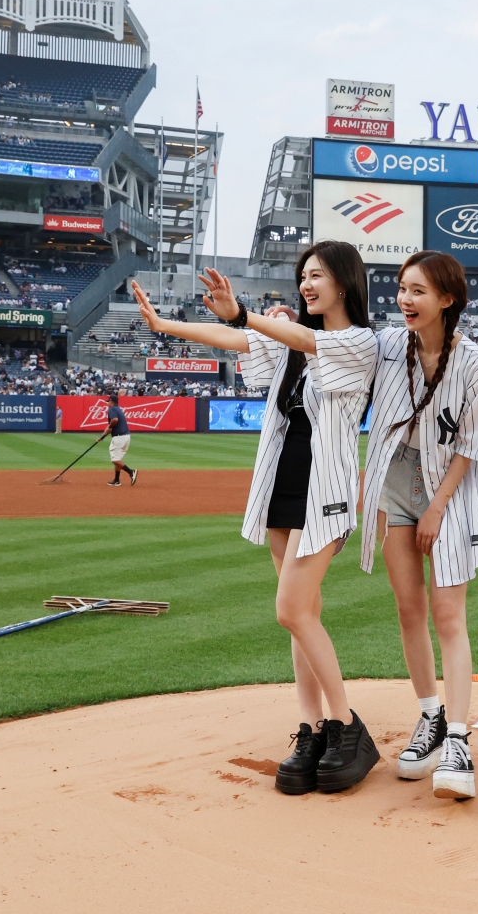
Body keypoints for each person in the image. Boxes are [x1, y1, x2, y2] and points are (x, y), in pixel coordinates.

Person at [129, 243, 381, 796]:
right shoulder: (288, 334)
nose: (308, 283)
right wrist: (163, 322)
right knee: (302, 614)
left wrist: (248, 314)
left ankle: (346, 726)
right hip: (282, 486)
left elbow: (303, 339)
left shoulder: (362, 341)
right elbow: (240, 339)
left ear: (345, 282)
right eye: (303, 275)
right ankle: (311, 730)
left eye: (318, 275)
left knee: (290, 607)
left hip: (326, 493)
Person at [359, 250, 478, 800]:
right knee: (408, 607)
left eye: (417, 290)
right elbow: (333, 345)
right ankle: (430, 717)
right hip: (394, 478)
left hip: (452, 487)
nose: (404, 299)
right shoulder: (391, 345)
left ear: (447, 299)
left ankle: (459, 738)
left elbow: (472, 446)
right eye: (401, 288)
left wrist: (438, 506)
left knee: (448, 613)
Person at [99, 393, 136, 485]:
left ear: (111, 401)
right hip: (126, 436)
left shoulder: (112, 409)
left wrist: (109, 427)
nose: (107, 403)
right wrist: (102, 437)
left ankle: (131, 472)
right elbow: (111, 428)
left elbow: (114, 420)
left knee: (115, 460)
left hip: (119, 437)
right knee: (118, 459)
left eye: (108, 401)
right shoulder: (118, 409)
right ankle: (117, 480)